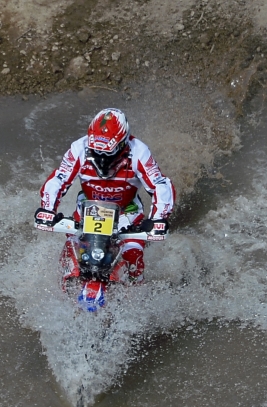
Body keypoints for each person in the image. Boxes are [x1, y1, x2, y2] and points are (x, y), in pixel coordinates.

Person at [34, 108, 175, 284]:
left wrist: (158, 219)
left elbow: (160, 185)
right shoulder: (79, 148)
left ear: (124, 143)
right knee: (69, 259)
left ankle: (138, 299)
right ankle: (63, 298)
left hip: (127, 216)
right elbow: (58, 179)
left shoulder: (139, 151)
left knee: (134, 256)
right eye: (96, 151)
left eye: (108, 153)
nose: (102, 158)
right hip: (87, 213)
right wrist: (48, 209)